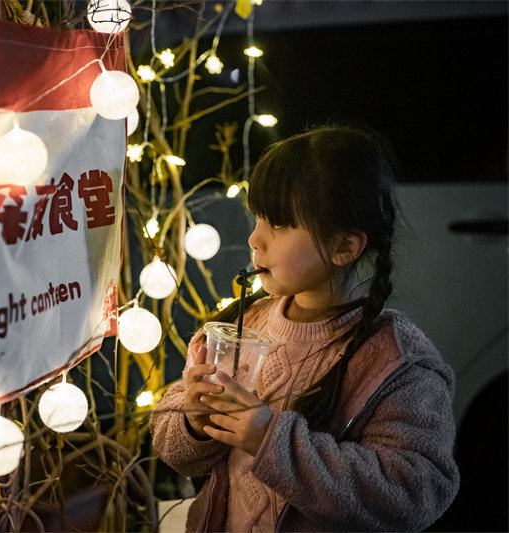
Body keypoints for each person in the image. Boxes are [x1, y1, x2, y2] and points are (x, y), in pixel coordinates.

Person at [150, 124, 459, 532]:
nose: (255, 238)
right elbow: (175, 450)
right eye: (258, 217)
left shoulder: (397, 363)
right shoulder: (236, 326)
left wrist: (270, 441)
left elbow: (414, 493)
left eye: (278, 224)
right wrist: (192, 420)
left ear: (344, 246)